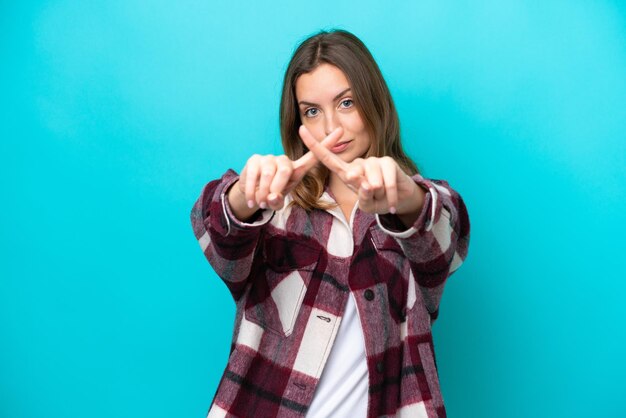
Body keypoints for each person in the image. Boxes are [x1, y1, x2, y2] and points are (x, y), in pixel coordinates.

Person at [191, 29, 470, 418]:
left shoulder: (416, 211)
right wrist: (244, 196)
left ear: (374, 103)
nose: (330, 129)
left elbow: (445, 235)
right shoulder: (275, 210)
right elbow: (218, 238)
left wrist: (404, 197)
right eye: (312, 111)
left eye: (347, 102)